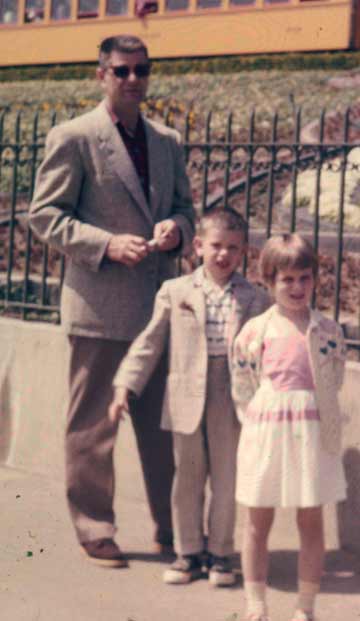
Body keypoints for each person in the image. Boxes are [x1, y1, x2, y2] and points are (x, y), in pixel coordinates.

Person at [29, 34, 194, 568]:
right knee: (94, 425)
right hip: (99, 306)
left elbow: (185, 208)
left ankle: (176, 530)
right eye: (121, 71)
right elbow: (44, 216)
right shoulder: (74, 136)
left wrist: (178, 229)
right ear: (101, 75)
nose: (132, 80)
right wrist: (105, 244)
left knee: (165, 427)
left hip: (159, 307)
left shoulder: (166, 140)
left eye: (141, 70)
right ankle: (95, 528)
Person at [109, 207, 270, 586]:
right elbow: (149, 343)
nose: (223, 255)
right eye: (216, 246)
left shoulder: (254, 298)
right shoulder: (175, 291)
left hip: (231, 396)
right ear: (197, 246)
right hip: (185, 395)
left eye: (233, 248)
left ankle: (220, 554)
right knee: (188, 477)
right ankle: (187, 552)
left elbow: (266, 352)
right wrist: (124, 386)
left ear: (244, 251)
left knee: (227, 478)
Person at [231, 234, 347, 621]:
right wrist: (261, 420)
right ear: (269, 281)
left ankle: (305, 606)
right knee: (256, 521)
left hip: (310, 433)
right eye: (287, 279)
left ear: (315, 279)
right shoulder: (254, 331)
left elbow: (334, 379)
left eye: (305, 278)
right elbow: (243, 385)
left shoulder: (328, 331)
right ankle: (255, 602)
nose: (297, 287)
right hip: (267, 431)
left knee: (310, 520)